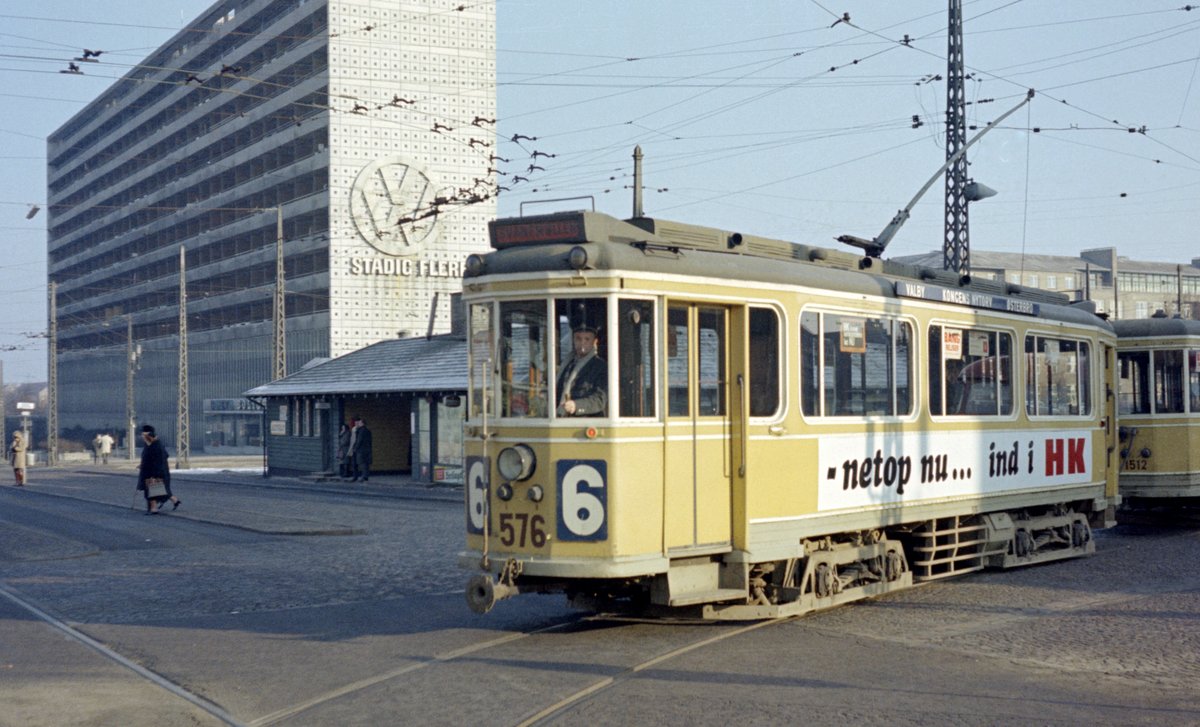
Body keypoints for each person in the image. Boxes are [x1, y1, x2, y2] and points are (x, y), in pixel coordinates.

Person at [556, 325, 608, 417]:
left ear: (595, 342)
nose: (582, 343)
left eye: (587, 339)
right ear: (573, 340)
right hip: (561, 420)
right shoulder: (567, 364)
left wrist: (576, 405)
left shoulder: (600, 366)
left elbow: (600, 399)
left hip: (587, 421)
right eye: (578, 339)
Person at [137, 425, 181, 515]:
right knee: (160, 489)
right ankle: (175, 501)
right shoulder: (149, 444)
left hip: (156, 471)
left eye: (144, 435)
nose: (143, 437)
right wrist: (142, 464)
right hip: (149, 470)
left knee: (153, 489)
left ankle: (154, 508)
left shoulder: (157, 446)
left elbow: (160, 460)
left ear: (149, 435)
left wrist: (155, 474)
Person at [348, 417, 373, 482]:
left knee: (361, 463)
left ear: (362, 423)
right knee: (364, 463)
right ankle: (365, 476)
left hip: (360, 449)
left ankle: (362, 476)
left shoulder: (361, 431)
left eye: (359, 422)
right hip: (365, 449)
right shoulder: (367, 430)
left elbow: (359, 440)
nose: (358, 423)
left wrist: (355, 448)